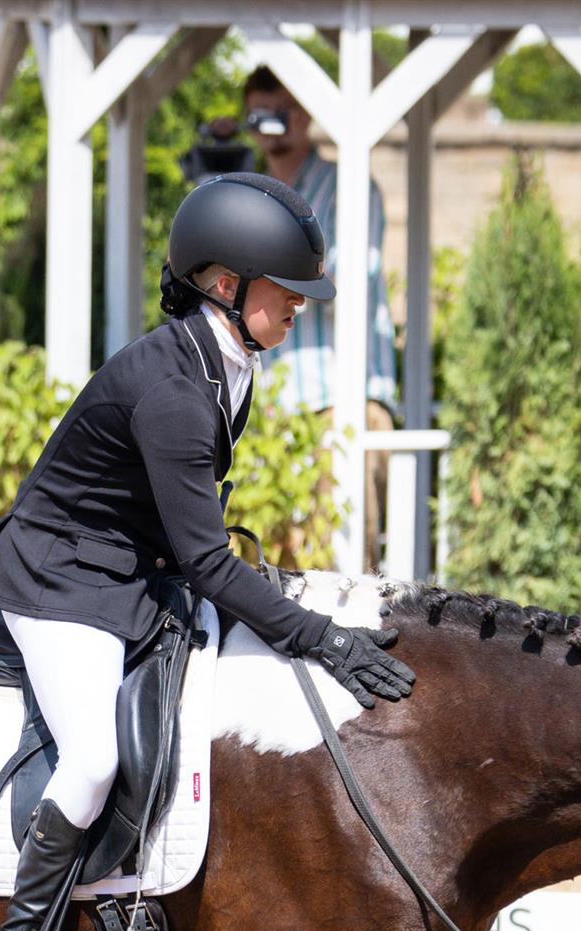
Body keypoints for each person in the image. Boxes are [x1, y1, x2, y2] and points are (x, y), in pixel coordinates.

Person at [0, 174, 416, 931]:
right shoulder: (172, 387)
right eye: (288, 292)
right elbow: (205, 560)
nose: (300, 309)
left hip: (129, 568)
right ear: (226, 285)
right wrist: (320, 639)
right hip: (62, 583)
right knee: (93, 756)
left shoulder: (228, 361)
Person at [241, 66, 400, 563]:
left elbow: (339, 283)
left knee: (347, 571)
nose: (272, 126)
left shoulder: (348, 186)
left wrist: (255, 264)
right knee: (267, 572)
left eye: (280, 111)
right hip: (270, 413)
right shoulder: (245, 191)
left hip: (341, 407)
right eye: (259, 115)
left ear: (307, 109)